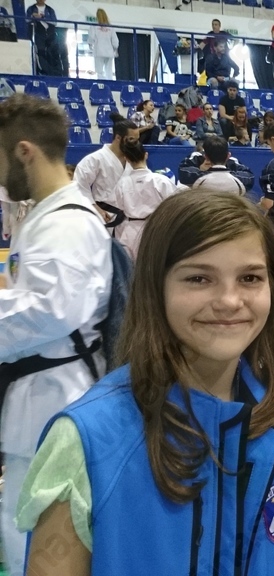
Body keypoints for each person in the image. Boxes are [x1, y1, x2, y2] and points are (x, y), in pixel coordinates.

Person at [17, 191, 274, 576]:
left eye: (250, 278)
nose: (229, 300)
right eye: (198, 278)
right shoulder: (86, 441)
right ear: (155, 287)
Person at [0, 94, 113, 576]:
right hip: (42, 392)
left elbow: (52, 310)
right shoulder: (47, 214)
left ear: (24, 151)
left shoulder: (66, 223)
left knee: (39, 540)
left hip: (56, 397)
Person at [112, 140, 177, 259]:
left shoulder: (122, 183)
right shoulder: (160, 181)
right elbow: (175, 205)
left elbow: (119, 207)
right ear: (146, 155)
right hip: (155, 229)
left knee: (130, 266)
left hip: (130, 231)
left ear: (127, 159)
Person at [74, 113, 138, 229]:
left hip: (129, 219)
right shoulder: (95, 159)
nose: (135, 144)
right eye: (131, 139)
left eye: (137, 140)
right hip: (104, 217)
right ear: (118, 138)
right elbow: (79, 186)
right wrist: (95, 207)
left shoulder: (134, 160)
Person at [89, 9, 118, 81]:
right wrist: (115, 49)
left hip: (99, 51)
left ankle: (101, 85)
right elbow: (115, 41)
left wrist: (90, 45)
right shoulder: (110, 27)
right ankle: (110, 85)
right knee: (109, 71)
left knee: (99, 72)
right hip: (109, 52)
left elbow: (91, 38)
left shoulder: (94, 26)